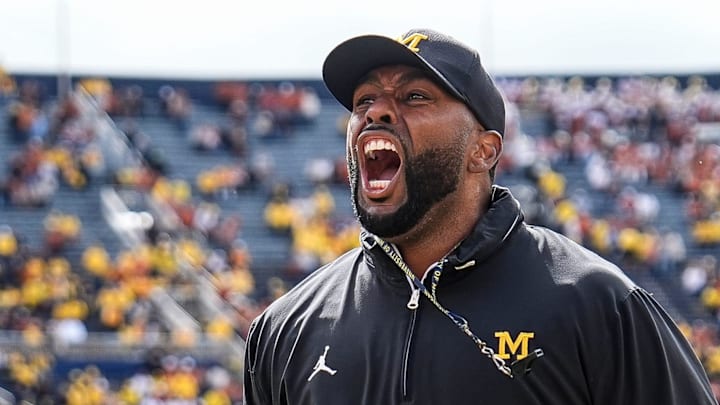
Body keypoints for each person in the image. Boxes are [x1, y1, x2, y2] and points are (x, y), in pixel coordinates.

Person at [243, 28, 717, 404]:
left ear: (483, 151)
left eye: (414, 98)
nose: (377, 113)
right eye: (364, 100)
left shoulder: (599, 306)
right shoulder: (286, 329)